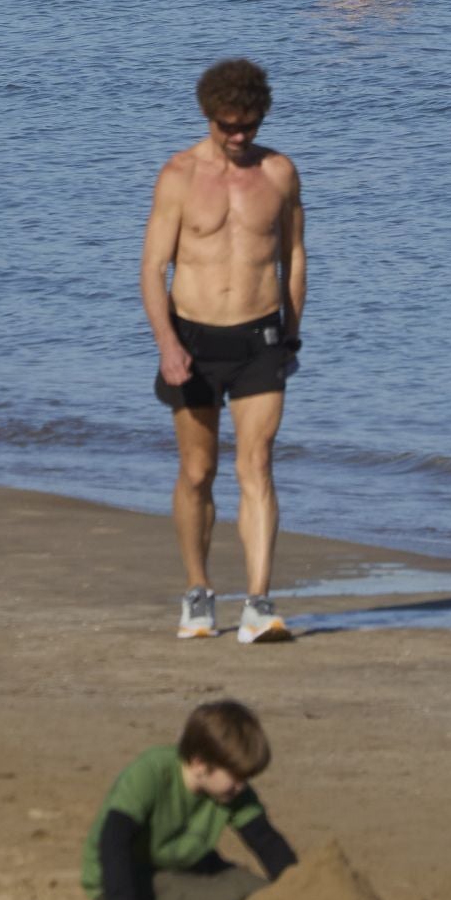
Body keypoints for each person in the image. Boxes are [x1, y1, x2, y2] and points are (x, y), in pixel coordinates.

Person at [140, 59, 304, 644]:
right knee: (197, 471)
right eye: (228, 126)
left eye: (249, 126)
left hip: (260, 337)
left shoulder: (279, 172)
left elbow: (294, 257)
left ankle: (259, 602)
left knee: (256, 465)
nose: (238, 137)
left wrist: (291, 334)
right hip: (193, 340)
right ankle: (199, 591)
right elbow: (152, 268)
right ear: (208, 116)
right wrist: (167, 344)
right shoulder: (179, 175)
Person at [81, 700, 297, 900]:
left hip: (179, 864)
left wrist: (299, 885)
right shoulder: (151, 772)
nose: (241, 787)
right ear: (199, 763)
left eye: (246, 778)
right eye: (236, 777)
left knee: (262, 890)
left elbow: (266, 840)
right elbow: (114, 839)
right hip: (122, 880)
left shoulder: (231, 791)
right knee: (240, 896)